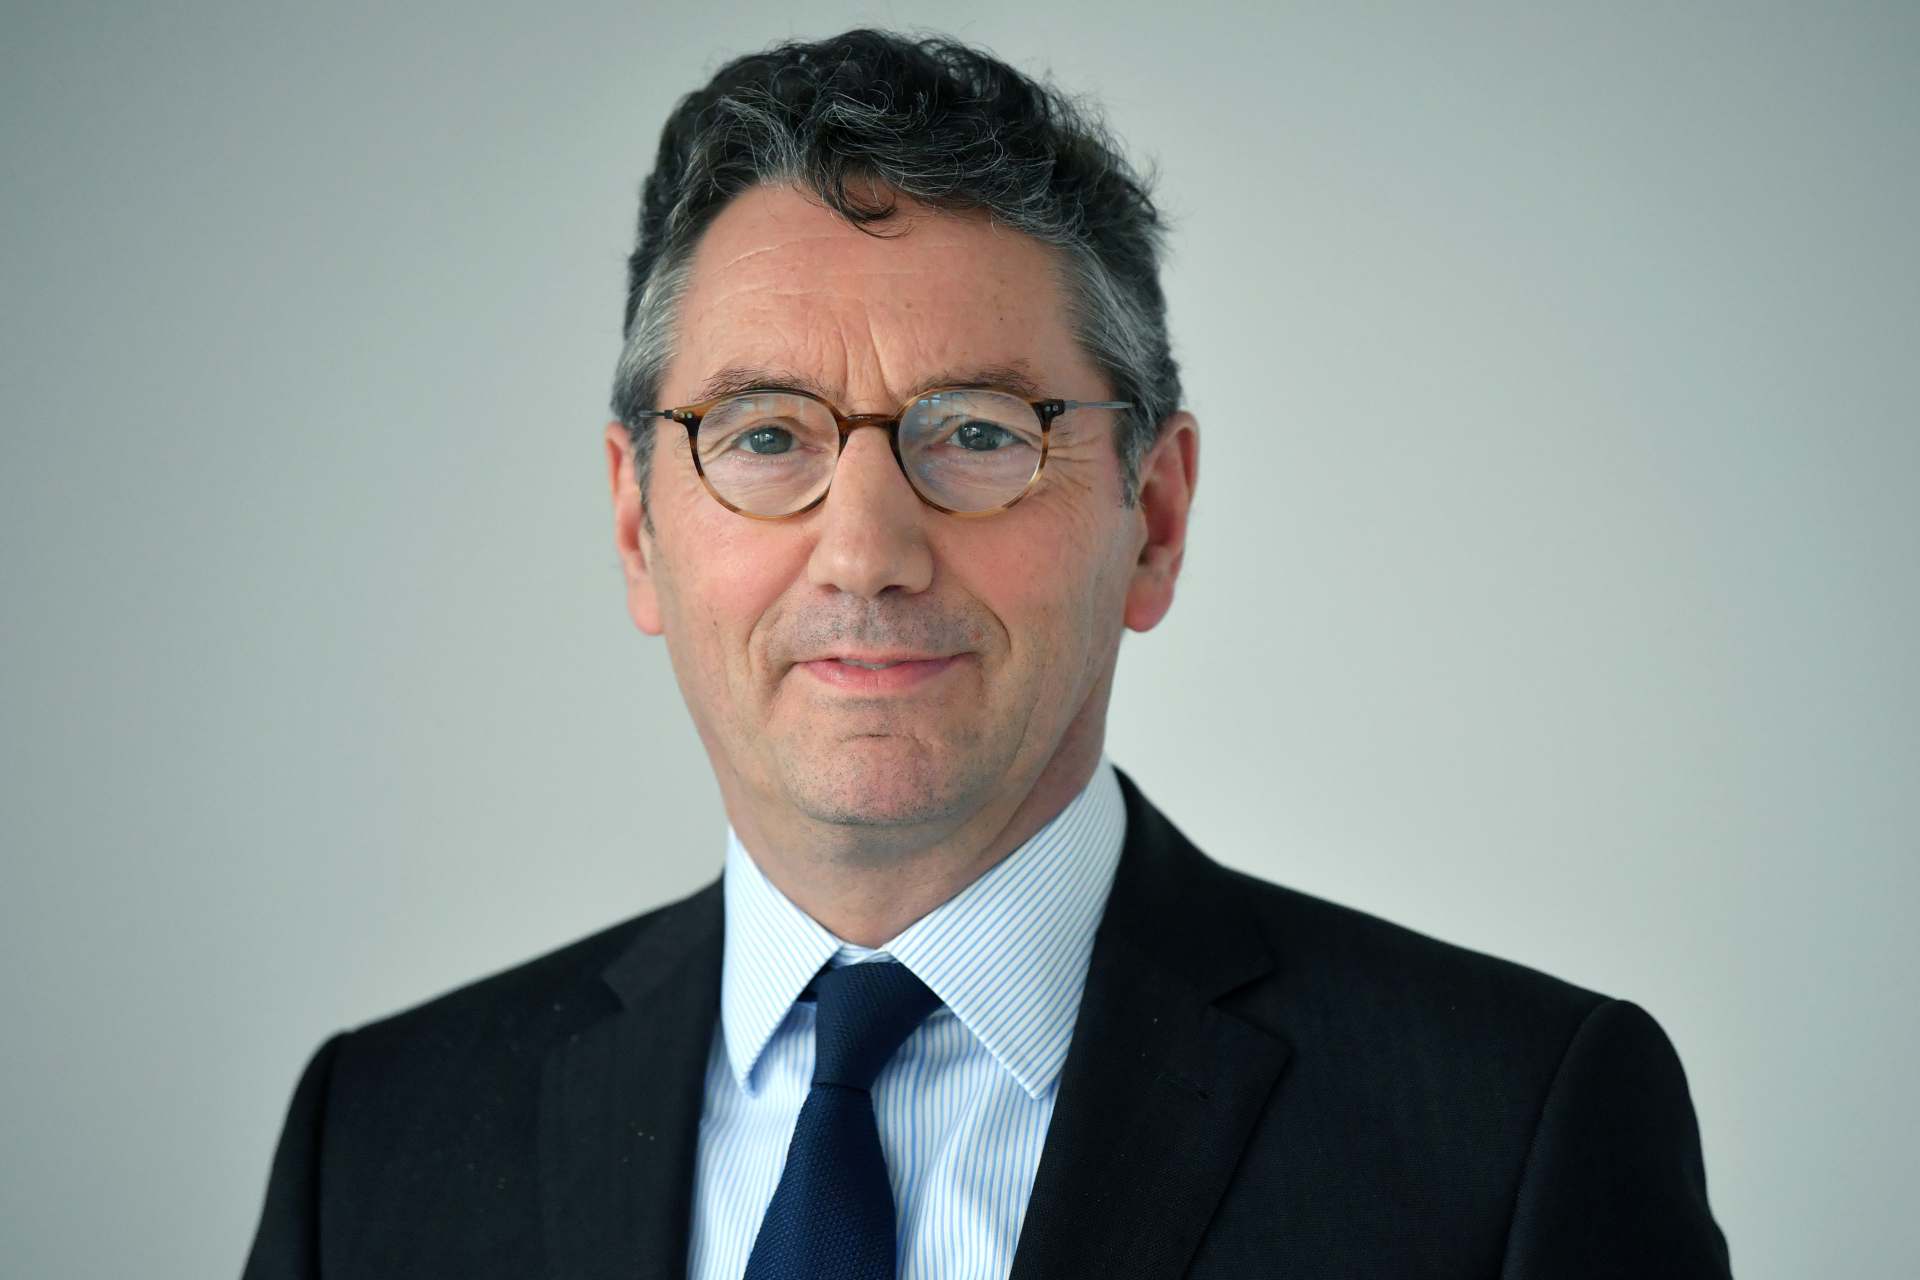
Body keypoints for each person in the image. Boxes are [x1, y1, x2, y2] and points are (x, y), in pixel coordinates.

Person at [242, 28, 1732, 1279]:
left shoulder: (1511, 1136)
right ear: (639, 525)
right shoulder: (375, 1145)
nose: (866, 550)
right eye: (763, 436)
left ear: (1152, 519)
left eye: (976, 432)